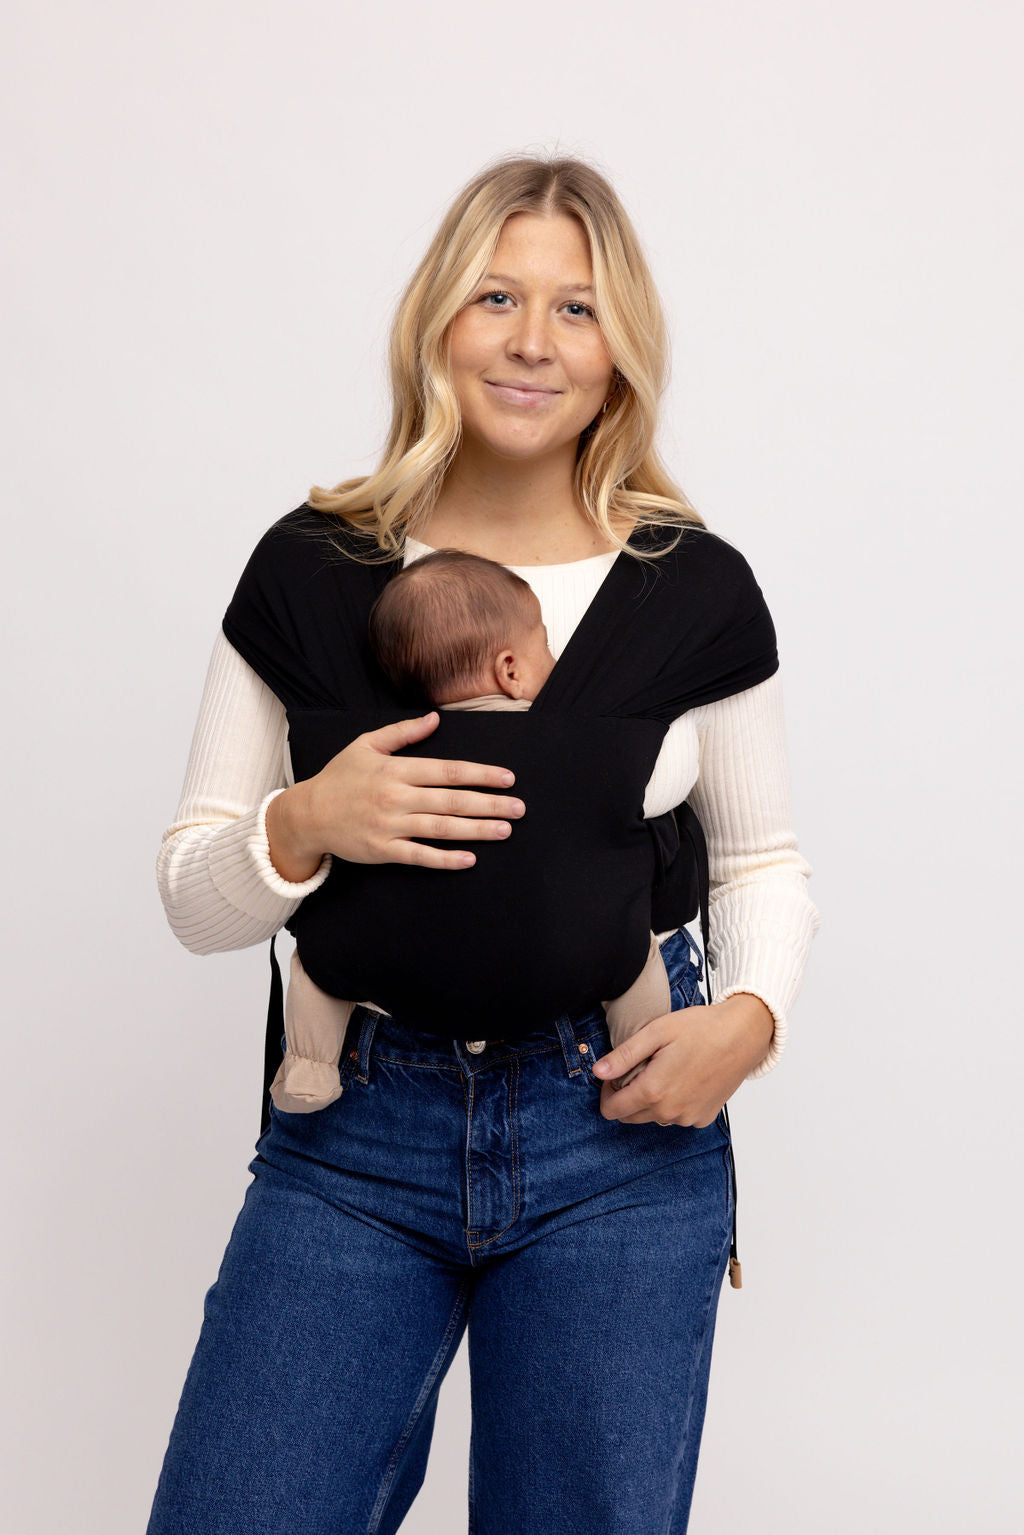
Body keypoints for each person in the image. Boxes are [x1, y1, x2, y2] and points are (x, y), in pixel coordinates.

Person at [148, 153, 820, 1534]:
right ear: (436, 321)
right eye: (496, 297)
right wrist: (303, 822)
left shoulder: (690, 587)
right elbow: (194, 898)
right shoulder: (309, 569)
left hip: (617, 1128)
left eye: (577, 309)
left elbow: (760, 860)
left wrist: (748, 1021)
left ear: (620, 349)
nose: (532, 341)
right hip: (355, 1125)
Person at [271, 546, 674, 1115]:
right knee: (636, 954)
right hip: (568, 965)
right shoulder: (585, 741)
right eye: (546, 646)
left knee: (319, 964)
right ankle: (641, 1060)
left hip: (387, 975)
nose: (557, 660)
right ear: (510, 670)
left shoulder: (372, 759)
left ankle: (310, 1065)